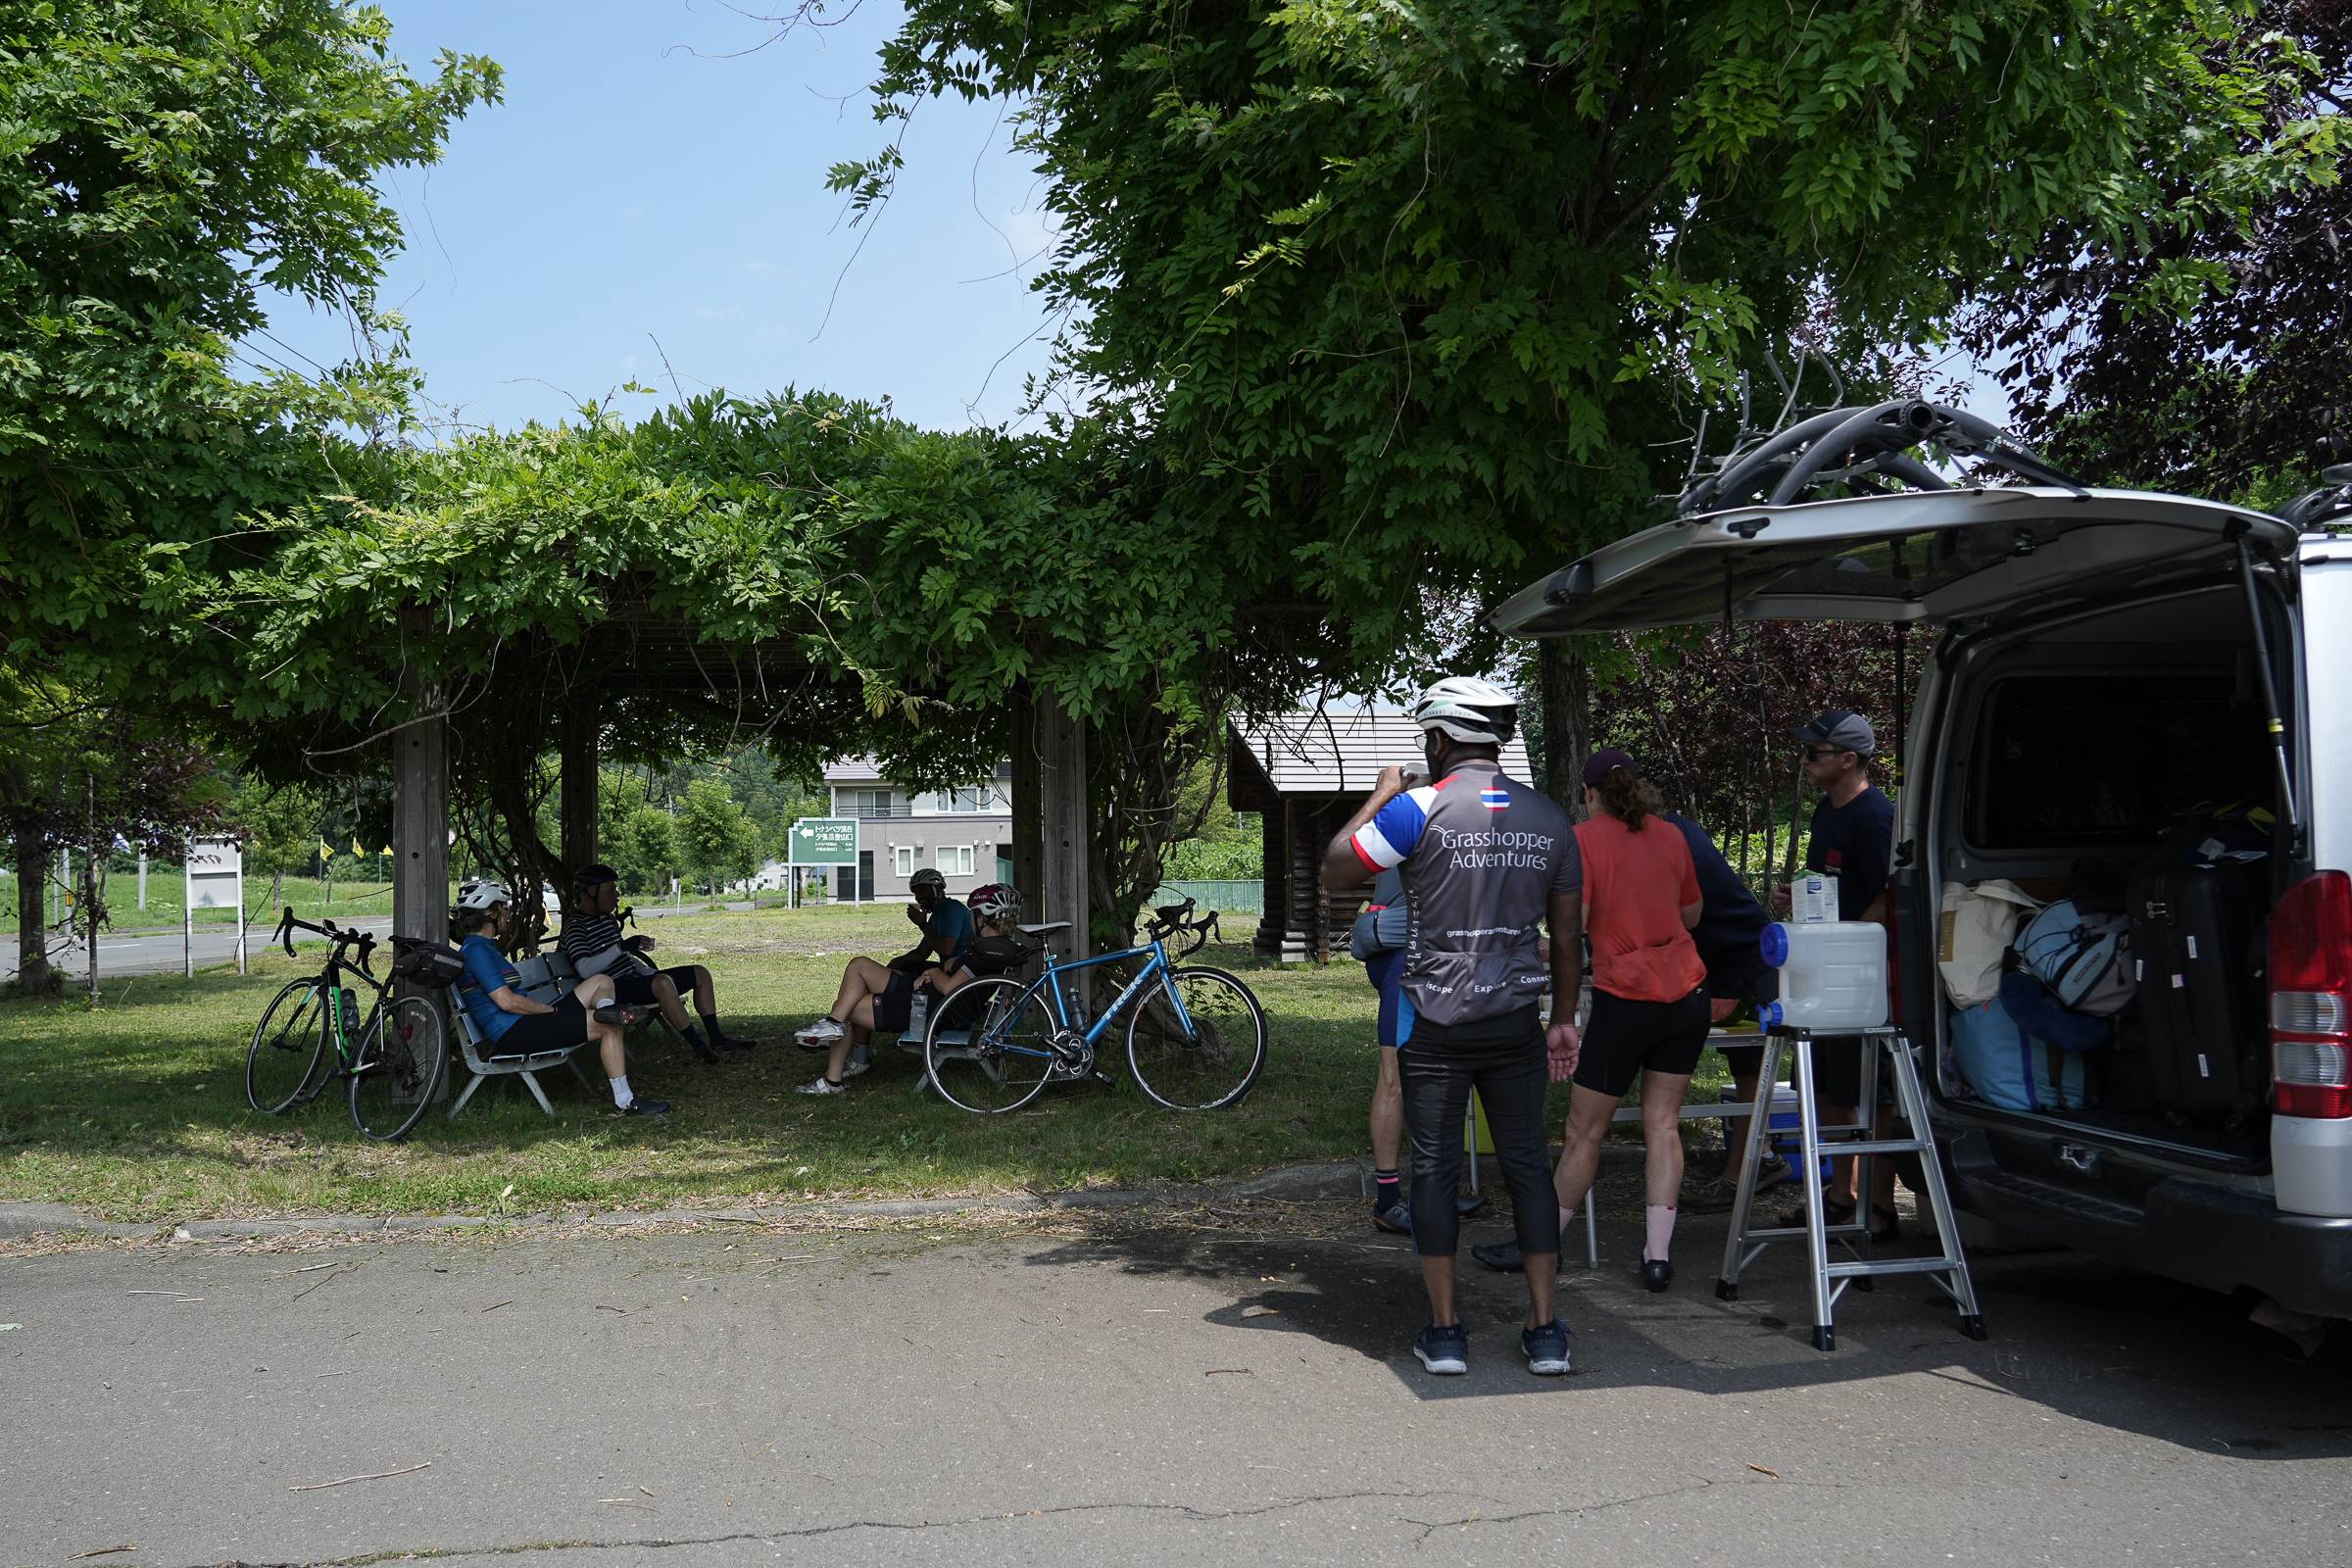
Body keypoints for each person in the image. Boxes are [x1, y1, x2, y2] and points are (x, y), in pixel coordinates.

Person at [1323, 675, 1583, 1378]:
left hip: (1436, 1025)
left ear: (1440, 740)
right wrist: (1563, 1019)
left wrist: (1379, 796)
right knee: (1529, 1168)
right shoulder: (1550, 818)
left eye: (1427, 741)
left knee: (1434, 1171)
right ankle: (1547, 1331)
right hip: (1516, 1023)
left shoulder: (1419, 807)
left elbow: (1336, 868)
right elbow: (1566, 939)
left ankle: (1445, 1335)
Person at [1472, 750, 1708, 1292]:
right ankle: (1656, 1257)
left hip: (1627, 997)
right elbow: (1692, 914)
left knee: (1584, 1130)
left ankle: (1541, 1243)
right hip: (1687, 991)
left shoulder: (1583, 839)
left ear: (1589, 792)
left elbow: (1570, 926)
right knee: (1663, 1125)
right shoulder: (1672, 835)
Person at [1774, 709, 1899, 1240]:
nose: (1804, 762)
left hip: (1862, 974)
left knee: (1871, 1090)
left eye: (1814, 754)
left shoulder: (1875, 817)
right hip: (1825, 967)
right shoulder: (1828, 811)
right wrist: (1799, 898)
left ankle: (1880, 1206)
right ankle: (1837, 1196)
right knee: (1827, 1083)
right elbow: (1830, 883)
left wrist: (1846, 943)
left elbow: (1889, 897)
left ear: (1848, 759)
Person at [452, 878, 668, 1117]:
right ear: (490, 913)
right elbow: (507, 1002)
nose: (507, 913)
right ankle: (625, 1102)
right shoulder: (477, 951)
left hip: (523, 1022)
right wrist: (549, 1011)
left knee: (601, 981)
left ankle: (608, 1009)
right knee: (609, 1026)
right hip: (514, 1031)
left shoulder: (483, 946)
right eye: (504, 908)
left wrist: (548, 1011)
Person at [1664, 808, 1791, 1213]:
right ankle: (1765, 1154)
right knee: (1745, 1070)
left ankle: (1742, 1176)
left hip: (1745, 960)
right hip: (1728, 961)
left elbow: (1677, 916)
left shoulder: (1666, 836)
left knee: (1752, 1069)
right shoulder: (1670, 828)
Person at [796, 882, 1029, 1096]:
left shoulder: (986, 952)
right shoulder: (996, 948)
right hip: (931, 996)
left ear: (983, 918)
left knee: (847, 1005)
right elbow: (953, 968)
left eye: (975, 914)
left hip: (933, 1008)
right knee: (859, 967)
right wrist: (943, 969)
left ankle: (834, 1073)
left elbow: (949, 987)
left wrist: (934, 973)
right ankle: (836, 1031)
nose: (972, 919)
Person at [560, 863, 751, 1065]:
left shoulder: (606, 919)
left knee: (700, 973)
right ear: (591, 892)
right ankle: (698, 1046)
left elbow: (622, 958)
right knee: (663, 983)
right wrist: (621, 947)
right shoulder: (576, 926)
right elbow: (585, 968)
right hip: (611, 990)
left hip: (633, 981)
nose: (616, 895)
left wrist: (646, 970)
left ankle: (717, 1039)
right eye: (611, 889)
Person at [795, 866, 974, 1075]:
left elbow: (945, 948)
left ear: (937, 889)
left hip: (946, 983)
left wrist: (922, 925)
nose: (919, 896)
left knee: (857, 976)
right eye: (915, 891)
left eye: (923, 890)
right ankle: (844, 1040)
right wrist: (894, 964)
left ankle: (839, 1032)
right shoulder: (939, 914)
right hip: (945, 977)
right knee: (856, 992)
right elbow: (922, 952)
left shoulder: (950, 909)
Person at [1350, 865, 1413, 1234]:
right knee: (1394, 1077)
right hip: (1399, 958)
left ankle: (1434, 1190)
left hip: (1423, 956)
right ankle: (1387, 1202)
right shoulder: (1415, 816)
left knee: (1430, 1075)